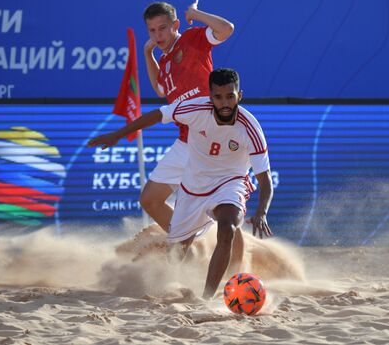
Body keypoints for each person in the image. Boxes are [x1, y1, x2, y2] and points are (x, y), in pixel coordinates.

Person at [88, 68, 273, 299]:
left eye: (230, 96)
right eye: (218, 97)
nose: (224, 102)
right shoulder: (196, 109)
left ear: (240, 95)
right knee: (178, 251)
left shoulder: (250, 128)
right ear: (210, 96)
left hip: (230, 183)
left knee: (227, 228)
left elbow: (265, 181)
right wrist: (118, 134)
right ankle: (162, 284)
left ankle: (206, 298)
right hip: (193, 187)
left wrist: (262, 212)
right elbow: (158, 114)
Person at [140, 0, 234, 233]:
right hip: (186, 141)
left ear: (176, 25)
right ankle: (186, 244)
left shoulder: (192, 39)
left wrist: (196, 13)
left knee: (222, 210)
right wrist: (147, 52)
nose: (157, 34)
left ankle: (232, 260)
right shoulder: (164, 60)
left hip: (212, 139)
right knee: (150, 199)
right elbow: (160, 89)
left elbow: (226, 29)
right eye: (152, 30)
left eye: (162, 28)